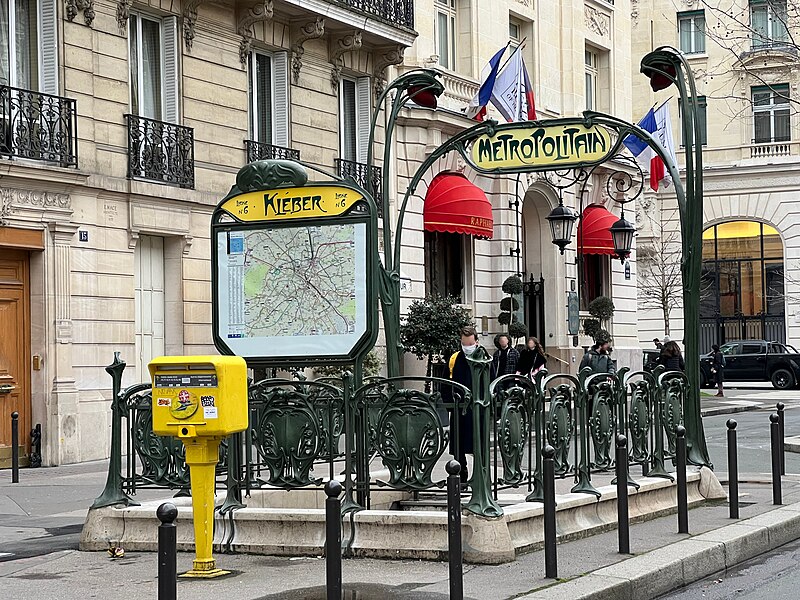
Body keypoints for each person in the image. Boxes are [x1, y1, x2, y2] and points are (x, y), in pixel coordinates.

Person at [443, 325, 481, 487]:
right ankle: (461, 474)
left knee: (478, 445)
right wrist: (451, 406)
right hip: (458, 410)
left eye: (470, 344)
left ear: (476, 342)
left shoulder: (483, 359)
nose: (467, 348)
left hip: (478, 410)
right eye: (464, 344)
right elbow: (444, 385)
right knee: (458, 446)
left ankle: (480, 476)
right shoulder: (454, 359)